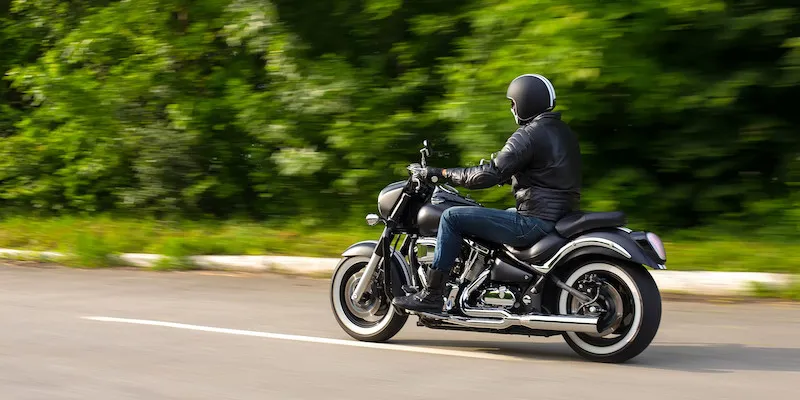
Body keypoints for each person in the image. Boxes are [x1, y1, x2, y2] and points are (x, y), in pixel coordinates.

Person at [392, 74, 582, 314]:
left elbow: (486, 175)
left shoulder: (529, 134)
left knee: (452, 217)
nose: (512, 108)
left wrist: (440, 173)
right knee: (494, 217)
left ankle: (432, 295)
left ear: (525, 100)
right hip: (558, 216)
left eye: (513, 102)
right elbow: (546, 173)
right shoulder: (562, 132)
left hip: (535, 220)